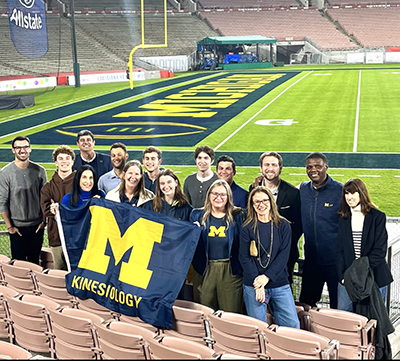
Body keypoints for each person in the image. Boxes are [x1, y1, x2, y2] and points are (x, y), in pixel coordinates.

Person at [239, 186, 299, 328]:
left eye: (265, 200)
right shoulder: (247, 227)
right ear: (252, 206)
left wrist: (266, 278)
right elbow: (244, 257)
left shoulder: (283, 225)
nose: (261, 205)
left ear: (271, 202)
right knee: (258, 328)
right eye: (257, 202)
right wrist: (258, 284)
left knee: (292, 326)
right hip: (253, 283)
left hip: (279, 282)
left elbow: (284, 256)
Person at [337, 178, 393, 311]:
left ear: (362, 193)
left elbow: (380, 251)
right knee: (345, 316)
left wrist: (360, 272)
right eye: (346, 193)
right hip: (349, 277)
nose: (349, 197)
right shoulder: (343, 218)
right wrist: (343, 277)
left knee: (373, 320)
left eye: (353, 193)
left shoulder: (377, 217)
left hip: (374, 276)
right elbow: (339, 251)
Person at [190, 180, 245, 312]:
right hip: (205, 269)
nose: (218, 197)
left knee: (230, 312)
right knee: (205, 311)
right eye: (214, 193)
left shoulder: (239, 215)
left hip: (230, 269)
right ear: (209, 195)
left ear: (228, 197)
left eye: (222, 194)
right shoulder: (197, 215)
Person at [249, 151, 302, 284]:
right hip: (258, 254)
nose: (270, 168)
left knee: (282, 296)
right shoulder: (253, 189)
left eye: (274, 164)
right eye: (266, 165)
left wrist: (284, 244)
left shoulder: (293, 193)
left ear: (280, 168)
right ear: (261, 168)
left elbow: (299, 225)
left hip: (284, 256)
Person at [299, 152, 343, 309]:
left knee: (337, 307)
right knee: (306, 305)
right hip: (311, 260)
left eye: (318, 166)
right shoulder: (303, 189)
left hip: (334, 263)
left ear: (326, 167)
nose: (313, 170)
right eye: (309, 167)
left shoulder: (340, 191)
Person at [0, 136, 47, 264]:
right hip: (17, 228)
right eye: (18, 147)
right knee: (18, 266)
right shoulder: (5, 173)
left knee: (35, 264)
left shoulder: (40, 171)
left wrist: (43, 222)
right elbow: (2, 202)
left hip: (36, 227)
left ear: (30, 149)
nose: (22, 150)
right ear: (13, 150)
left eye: (25, 147)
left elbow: (45, 199)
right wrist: (10, 227)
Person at [40, 145, 76, 270]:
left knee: (77, 273)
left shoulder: (81, 183)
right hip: (56, 237)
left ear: (72, 161)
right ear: (56, 162)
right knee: (59, 272)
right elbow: (45, 209)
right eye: (60, 159)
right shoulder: (48, 187)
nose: (64, 161)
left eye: (67, 158)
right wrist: (52, 210)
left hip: (77, 237)